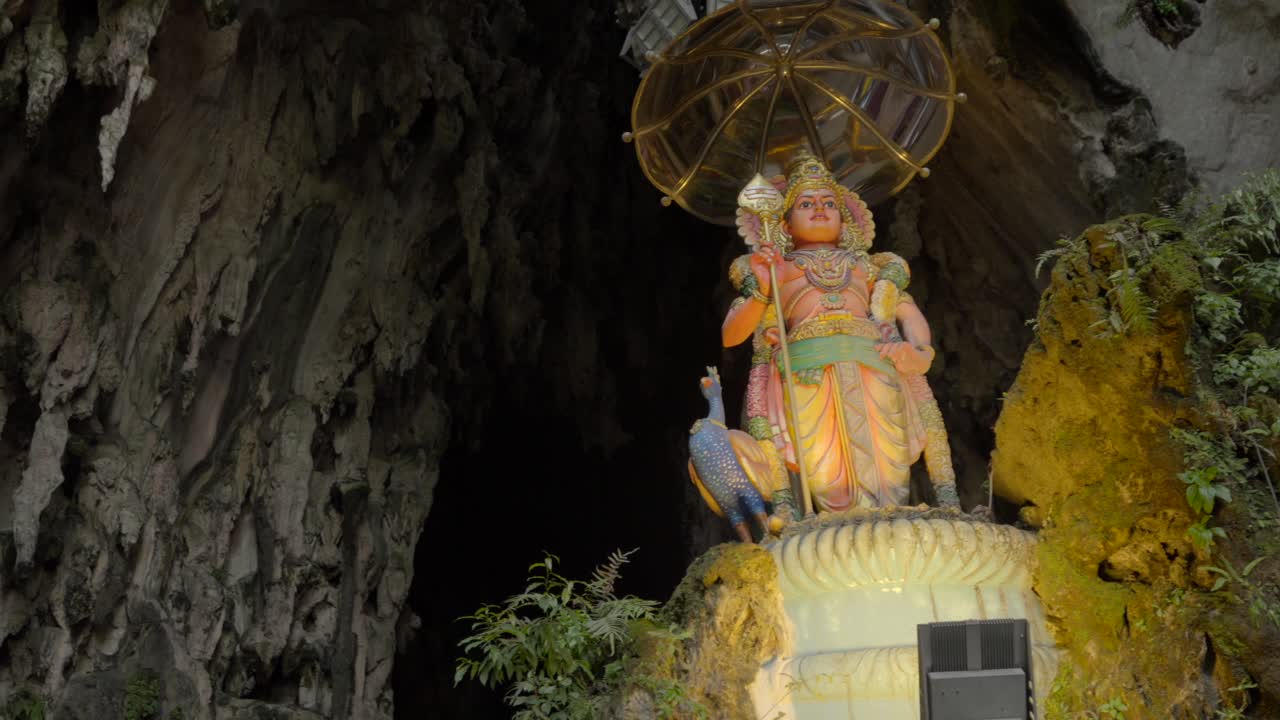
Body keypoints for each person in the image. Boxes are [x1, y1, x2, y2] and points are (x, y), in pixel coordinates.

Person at [723, 152, 956, 512]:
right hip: (808, 372)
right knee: (827, 468)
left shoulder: (868, 266)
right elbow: (732, 335)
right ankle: (840, 522)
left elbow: (907, 312)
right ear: (784, 226)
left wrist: (920, 352)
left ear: (845, 220)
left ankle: (891, 517)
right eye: (806, 203)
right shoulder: (774, 269)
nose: (819, 208)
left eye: (829, 202)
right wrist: (764, 289)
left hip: (875, 363)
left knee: (888, 460)